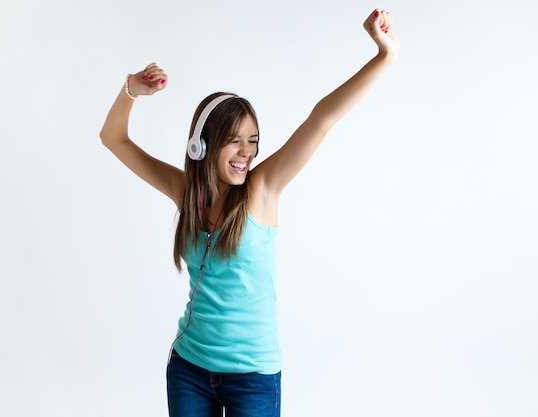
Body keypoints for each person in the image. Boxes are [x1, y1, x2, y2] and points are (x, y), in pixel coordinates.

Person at [99, 8, 399, 417]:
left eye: (253, 141)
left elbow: (321, 119)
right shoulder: (185, 191)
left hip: (252, 378)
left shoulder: (262, 189)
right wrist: (130, 89)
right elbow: (113, 139)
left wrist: (384, 57)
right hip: (188, 370)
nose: (247, 153)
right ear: (201, 146)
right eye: (234, 141)